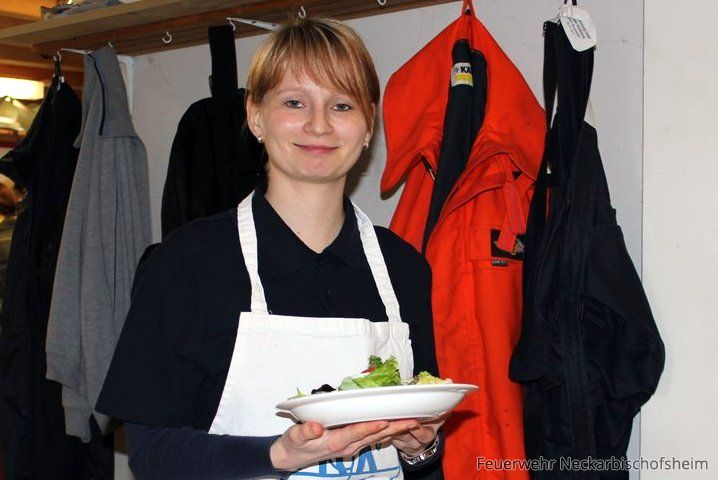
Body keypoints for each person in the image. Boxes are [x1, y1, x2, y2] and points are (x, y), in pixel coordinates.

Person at [97, 17, 445, 479]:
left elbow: (421, 458)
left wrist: (420, 447)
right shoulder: (186, 263)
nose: (319, 124)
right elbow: (153, 454)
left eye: (342, 105)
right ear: (256, 115)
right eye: (295, 102)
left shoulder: (403, 268)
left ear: (368, 125)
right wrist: (277, 456)